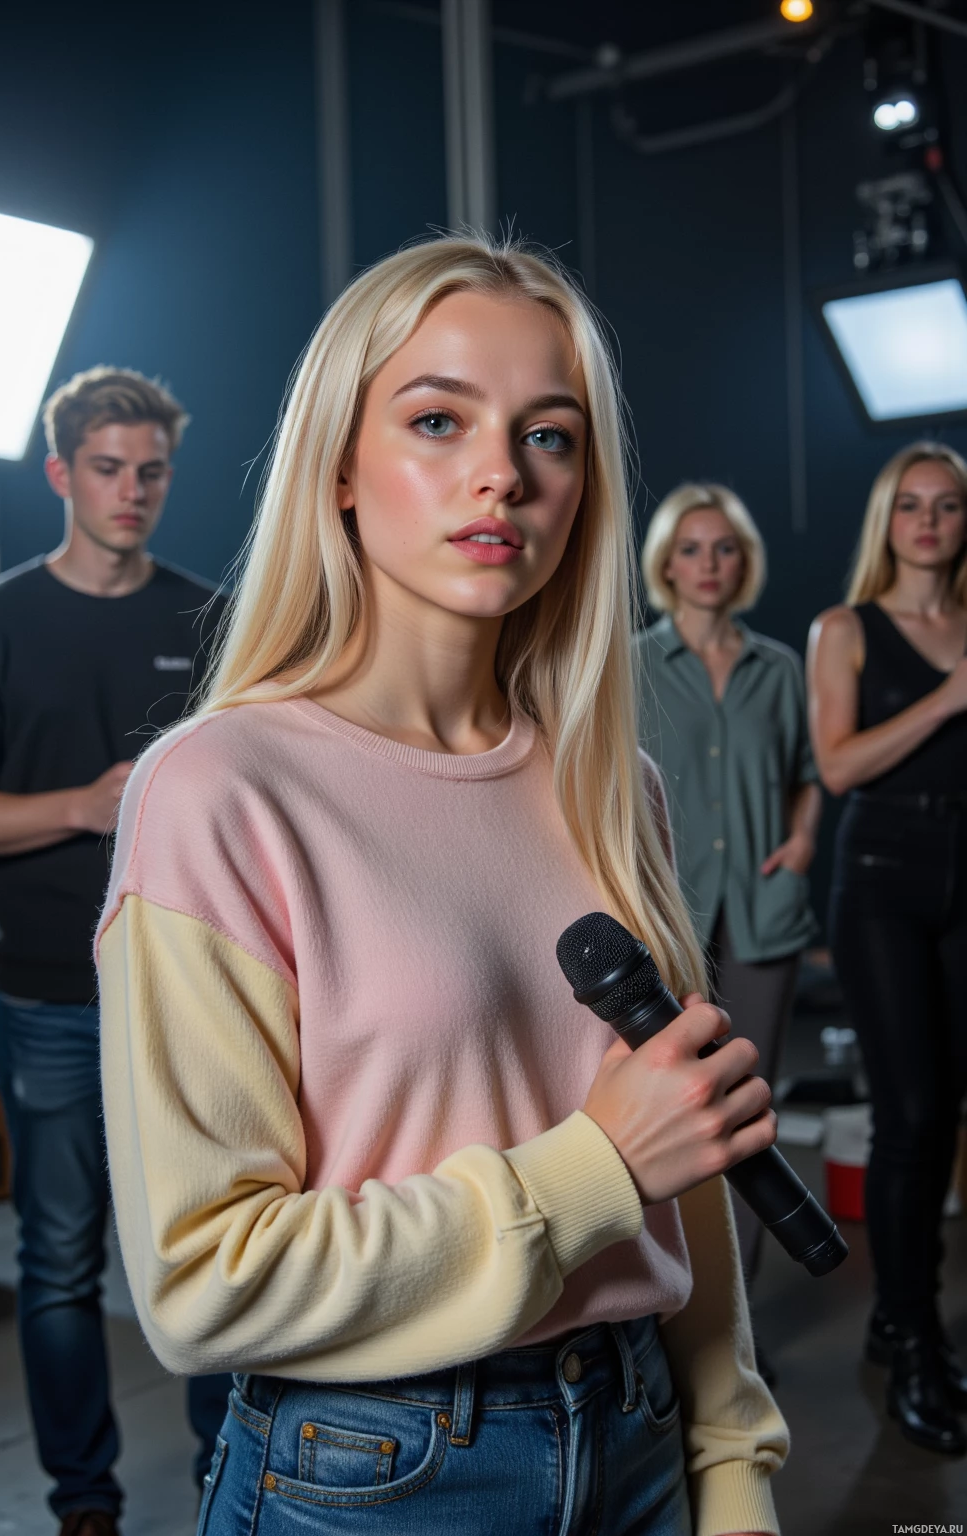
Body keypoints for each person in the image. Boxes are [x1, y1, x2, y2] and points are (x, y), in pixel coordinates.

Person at [97, 238, 787, 1536]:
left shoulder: (607, 776)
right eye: (436, 418)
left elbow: (683, 1146)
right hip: (376, 1471)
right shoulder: (222, 793)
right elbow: (204, 1283)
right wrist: (594, 1167)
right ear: (340, 467)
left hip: (638, 1442)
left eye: (550, 436)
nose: (500, 475)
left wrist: (734, 1461)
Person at [0, 368, 232, 1536]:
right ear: (63, 475)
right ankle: (84, 1501)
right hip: (53, 1000)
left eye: (151, 471)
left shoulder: (207, 614)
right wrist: (81, 805)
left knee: (212, 1250)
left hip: (187, 995)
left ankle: (232, 1475)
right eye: (107, 470)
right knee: (60, 1266)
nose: (131, 492)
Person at [808, 442, 967, 1457]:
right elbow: (835, 764)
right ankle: (914, 1339)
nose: (926, 521)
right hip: (879, 884)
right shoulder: (845, 628)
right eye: (908, 505)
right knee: (909, 1113)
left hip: (966, 877)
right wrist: (951, 695)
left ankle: (892, 1314)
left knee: (946, 1107)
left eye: (945, 506)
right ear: (886, 521)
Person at [634, 485, 821, 1304]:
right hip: (669, 914)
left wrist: (805, 835)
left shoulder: (780, 669)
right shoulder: (631, 662)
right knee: (671, 1110)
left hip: (761, 908)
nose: (708, 565)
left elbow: (813, 772)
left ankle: (735, 1323)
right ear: (665, 564)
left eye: (725, 549)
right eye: (691, 549)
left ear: (743, 564)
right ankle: (674, 1305)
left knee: (749, 1115)